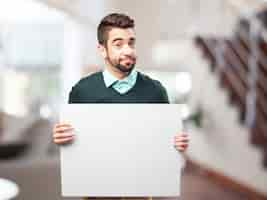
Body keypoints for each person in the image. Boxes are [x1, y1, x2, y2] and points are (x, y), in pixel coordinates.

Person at [53, 13, 190, 200]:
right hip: (96, 192)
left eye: (131, 43)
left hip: (141, 193)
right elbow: (74, 146)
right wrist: (62, 137)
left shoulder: (155, 91)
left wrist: (176, 144)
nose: (128, 50)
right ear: (102, 50)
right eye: (118, 44)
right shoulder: (82, 91)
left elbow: (165, 145)